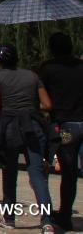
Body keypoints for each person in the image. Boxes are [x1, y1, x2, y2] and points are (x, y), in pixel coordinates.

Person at [0, 43, 55, 232]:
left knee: (9, 172)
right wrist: (31, 108)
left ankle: (9, 217)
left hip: (10, 127)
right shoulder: (33, 76)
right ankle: (47, 220)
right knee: (37, 174)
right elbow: (47, 104)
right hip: (33, 126)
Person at [39, 32, 82, 232]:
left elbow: (42, 98)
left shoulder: (48, 69)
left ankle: (64, 215)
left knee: (69, 171)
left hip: (65, 124)